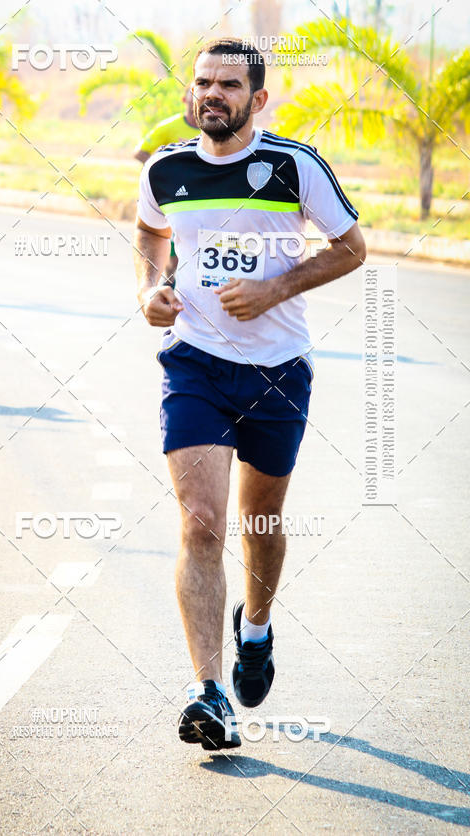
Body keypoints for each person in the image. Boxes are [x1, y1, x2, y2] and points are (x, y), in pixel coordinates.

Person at [133, 37, 366, 751]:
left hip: (279, 372)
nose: (213, 94)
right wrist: (150, 289)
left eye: (229, 85)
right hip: (195, 364)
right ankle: (210, 693)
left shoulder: (292, 166)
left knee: (260, 522)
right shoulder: (166, 168)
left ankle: (256, 628)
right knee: (201, 522)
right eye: (203, 82)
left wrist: (275, 289)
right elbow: (148, 234)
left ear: (258, 100)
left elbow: (352, 247)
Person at [134, 88, 199, 286]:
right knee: (173, 255)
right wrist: (165, 173)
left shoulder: (213, 130)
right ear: (184, 98)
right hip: (174, 197)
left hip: (202, 196)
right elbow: (140, 152)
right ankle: (169, 286)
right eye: (192, 91)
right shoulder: (169, 126)